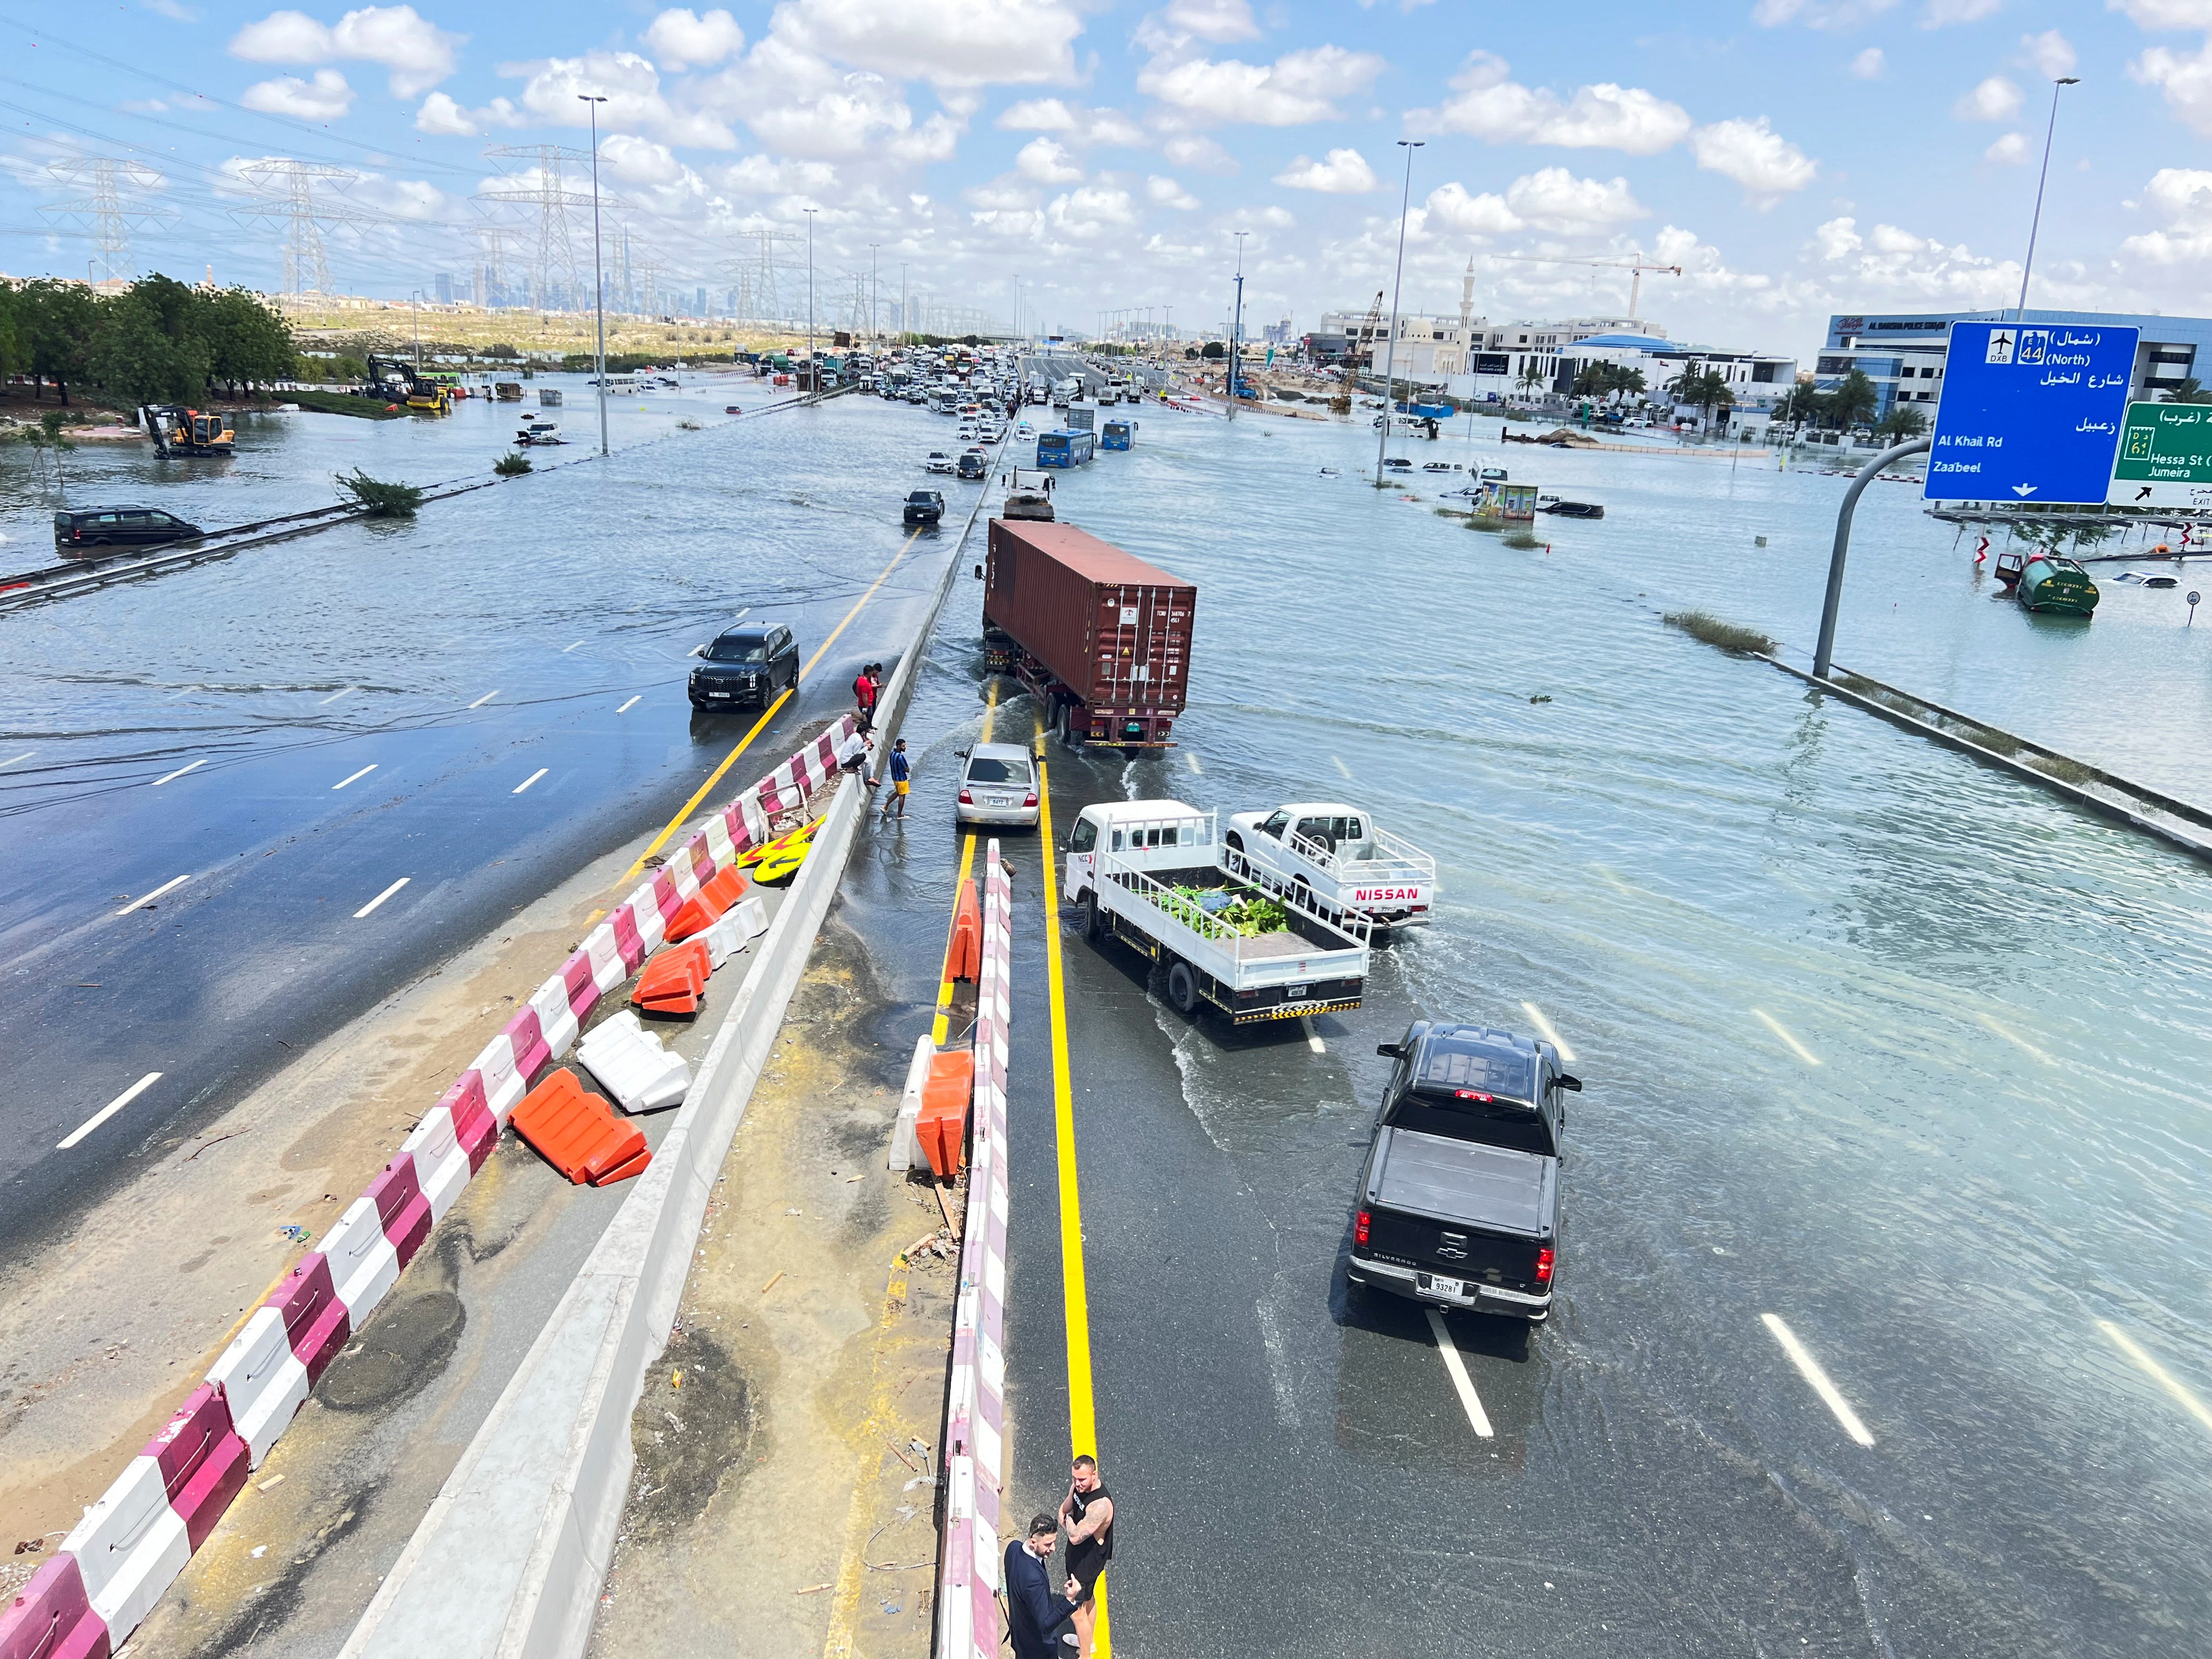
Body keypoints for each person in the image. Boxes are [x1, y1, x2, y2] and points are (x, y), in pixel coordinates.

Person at [1003, 1514, 1086, 1659]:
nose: (1053, 1548)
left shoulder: (1013, 1548)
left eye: (1054, 1542)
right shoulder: (1034, 1580)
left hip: (1020, 1635)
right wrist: (1069, 1600)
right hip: (1037, 1649)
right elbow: (1046, 1624)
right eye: (1048, 1544)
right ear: (1034, 1542)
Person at [1057, 1456, 1114, 1656]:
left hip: (1088, 1562)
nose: (1077, 1484)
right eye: (1074, 1479)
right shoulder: (1077, 1488)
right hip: (1077, 1556)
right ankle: (1087, 1642)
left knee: (1077, 1610)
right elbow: (1062, 1511)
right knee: (1088, 1600)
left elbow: (1074, 1535)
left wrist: (1070, 1519)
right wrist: (1069, 1518)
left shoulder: (1101, 1505)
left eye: (1082, 1480)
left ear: (1095, 1475)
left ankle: (1086, 1655)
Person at [878, 737, 911, 822]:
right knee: (902, 796)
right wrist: (905, 769)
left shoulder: (892, 754)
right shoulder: (900, 757)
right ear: (899, 746)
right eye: (904, 746)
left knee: (898, 793)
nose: (905, 748)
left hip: (895, 778)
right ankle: (899, 815)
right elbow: (907, 770)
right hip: (901, 779)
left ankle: (885, 806)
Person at [853, 662, 880, 732]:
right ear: (870, 673)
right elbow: (865, 696)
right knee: (868, 716)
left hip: (865, 703)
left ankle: (869, 727)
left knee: (869, 716)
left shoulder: (861, 679)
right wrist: (867, 706)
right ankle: (867, 729)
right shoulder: (865, 683)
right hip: (866, 704)